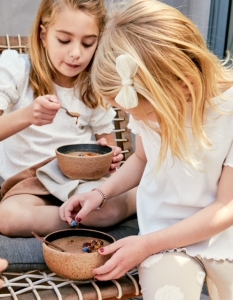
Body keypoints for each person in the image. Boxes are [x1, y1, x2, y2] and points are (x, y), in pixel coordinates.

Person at [60, 0, 233, 298]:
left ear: (182, 85)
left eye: (143, 114)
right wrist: (99, 193)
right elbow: (141, 159)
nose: (135, 120)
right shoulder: (146, 102)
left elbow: (226, 207)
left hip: (222, 237)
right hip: (160, 237)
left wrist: (146, 245)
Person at [0, 0, 136, 238]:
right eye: (64, 40)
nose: (76, 53)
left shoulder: (93, 87)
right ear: (43, 35)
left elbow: (110, 147)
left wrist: (109, 156)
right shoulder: (17, 69)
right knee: (7, 218)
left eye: (88, 43)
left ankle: (136, 197)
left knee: (100, 209)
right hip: (28, 184)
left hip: (78, 181)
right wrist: (27, 115)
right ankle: (85, 219)